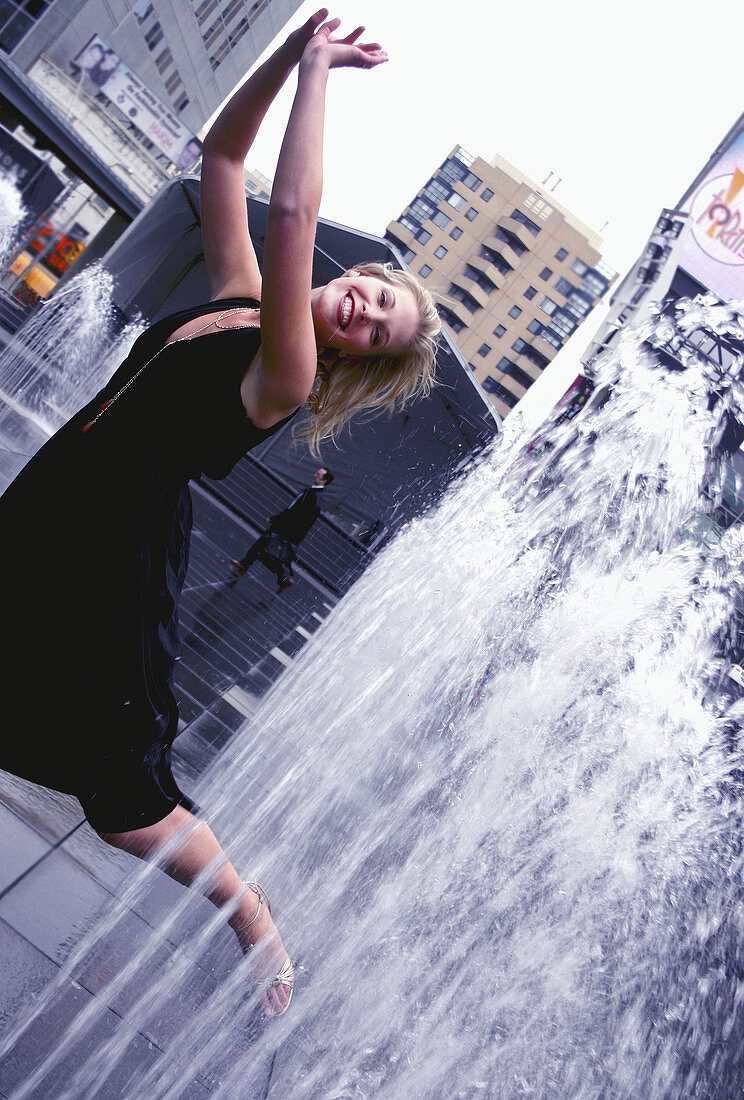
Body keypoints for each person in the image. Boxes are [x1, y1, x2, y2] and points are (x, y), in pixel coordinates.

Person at [0, 10, 440, 1020]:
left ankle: (249, 912)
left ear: (361, 357)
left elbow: (292, 215)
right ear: (357, 277)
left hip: (116, 541)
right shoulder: (241, 294)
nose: (364, 309)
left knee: (122, 795)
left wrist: (321, 72)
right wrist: (288, 52)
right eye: (373, 291)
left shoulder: (284, 366)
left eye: (378, 326)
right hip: (65, 491)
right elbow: (225, 156)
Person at [230, 466, 334, 592]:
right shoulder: (313, 493)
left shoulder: (314, 496)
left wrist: (277, 520)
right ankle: (249, 566)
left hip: (286, 530)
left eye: (318, 474)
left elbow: (295, 514)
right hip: (286, 529)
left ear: (324, 480)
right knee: (268, 548)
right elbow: (292, 509)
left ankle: (251, 567)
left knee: (268, 548)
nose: (314, 475)